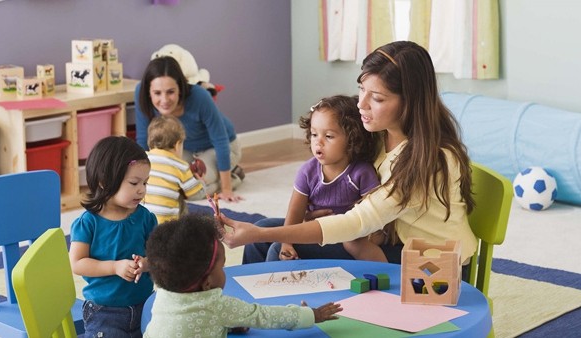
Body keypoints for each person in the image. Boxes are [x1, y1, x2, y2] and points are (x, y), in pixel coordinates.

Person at [222, 41, 478, 278]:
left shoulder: (428, 160)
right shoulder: (379, 136)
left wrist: (262, 233)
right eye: (361, 90)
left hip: (429, 266)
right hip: (389, 240)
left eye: (377, 98)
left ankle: (278, 318)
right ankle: (247, 311)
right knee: (262, 236)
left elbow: (356, 222)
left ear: (409, 103)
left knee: (276, 243)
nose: (362, 104)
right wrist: (275, 228)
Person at [144, 214, 342, 337]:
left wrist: (229, 325)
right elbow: (264, 316)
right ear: (207, 283)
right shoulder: (217, 306)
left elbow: (192, 322)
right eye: (221, 267)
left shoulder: (163, 293)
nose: (224, 271)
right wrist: (311, 315)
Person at [242, 95, 385, 264]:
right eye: (314, 134)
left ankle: (270, 289)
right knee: (261, 228)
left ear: (353, 139)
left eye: (329, 136)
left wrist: (372, 239)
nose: (319, 142)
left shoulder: (361, 173)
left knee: (275, 249)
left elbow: (377, 217)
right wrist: (286, 242)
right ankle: (246, 285)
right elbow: (295, 213)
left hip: (344, 237)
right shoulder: (308, 171)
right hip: (313, 227)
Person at [69, 136, 157, 337]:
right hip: (105, 312)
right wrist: (114, 267)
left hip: (146, 305)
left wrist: (146, 263)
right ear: (105, 182)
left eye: (145, 182)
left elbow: (160, 256)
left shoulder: (145, 218)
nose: (142, 190)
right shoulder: (88, 222)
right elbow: (77, 263)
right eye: (134, 182)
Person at [135, 55, 244, 202]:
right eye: (157, 93)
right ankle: (221, 174)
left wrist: (226, 189)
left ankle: (234, 176)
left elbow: (220, 140)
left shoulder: (199, 96)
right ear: (149, 91)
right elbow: (143, 140)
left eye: (170, 92)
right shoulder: (140, 93)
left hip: (220, 147)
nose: (164, 100)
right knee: (170, 184)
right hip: (183, 149)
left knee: (192, 190)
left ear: (180, 87)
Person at [144, 115, 206, 223]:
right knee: (180, 200)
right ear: (178, 145)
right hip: (167, 228)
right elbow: (197, 195)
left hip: (142, 224)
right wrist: (201, 182)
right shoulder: (180, 166)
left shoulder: (143, 159)